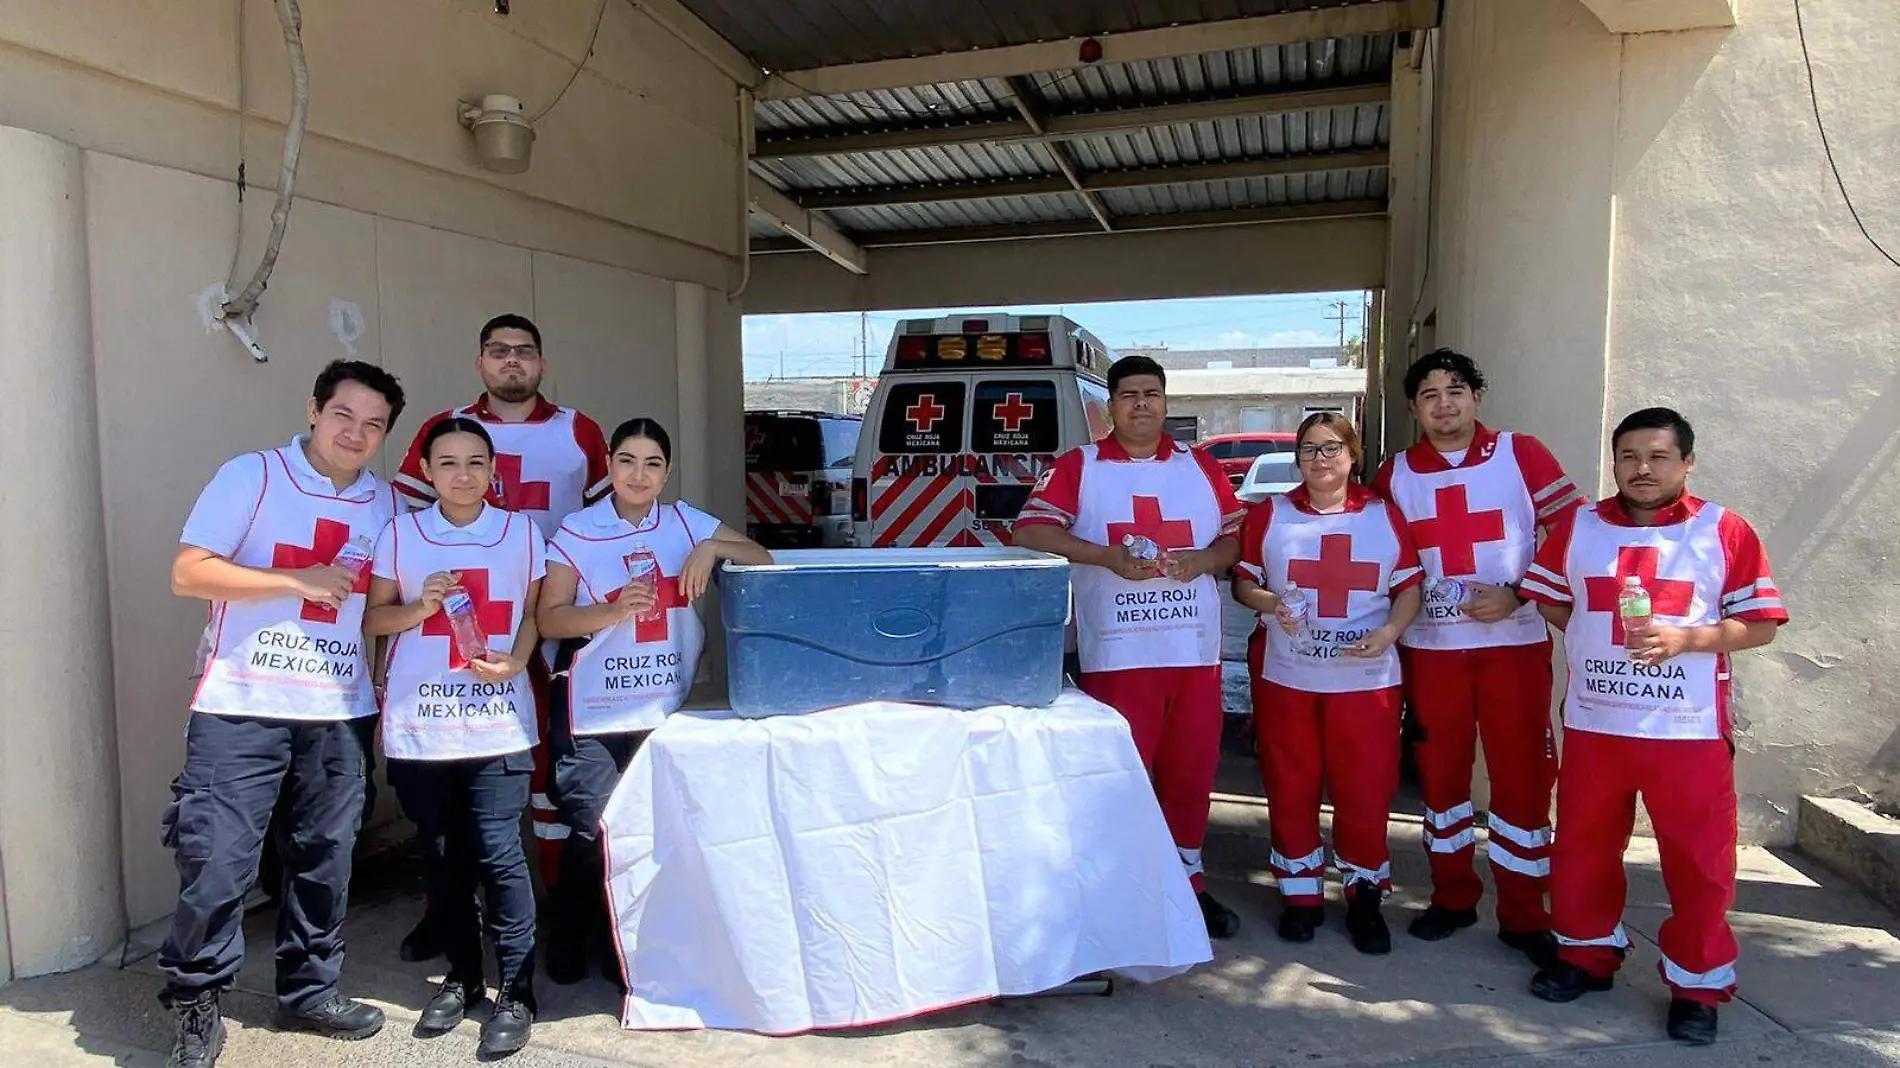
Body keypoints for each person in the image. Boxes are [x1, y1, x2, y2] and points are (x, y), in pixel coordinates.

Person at [160, 360, 405, 1068]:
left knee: (325, 858)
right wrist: (294, 579)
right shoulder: (252, 476)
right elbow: (189, 572)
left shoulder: (384, 505)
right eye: (343, 415)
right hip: (241, 703)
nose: (356, 433)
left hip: (337, 708)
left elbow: (383, 608)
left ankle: (309, 991)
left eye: (374, 424)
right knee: (216, 861)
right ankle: (196, 1002)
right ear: (313, 410)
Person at [1519, 407, 1787, 1046]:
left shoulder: (1723, 530)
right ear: (1614, 462)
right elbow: (1554, 597)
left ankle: (1696, 986)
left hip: (1686, 730)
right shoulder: (1580, 526)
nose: (1642, 469)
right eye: (1629, 456)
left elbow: (1762, 623)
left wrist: (1688, 637)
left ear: (1686, 462)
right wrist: (1594, 639)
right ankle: (1585, 955)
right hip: (1596, 721)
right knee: (1582, 849)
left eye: (1659, 456)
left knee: (1700, 864)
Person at [393, 313, 610, 959]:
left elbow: (605, 523)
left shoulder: (579, 430)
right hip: (456, 628)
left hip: (548, 626)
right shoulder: (446, 429)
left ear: (541, 364)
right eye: (498, 351)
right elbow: (404, 522)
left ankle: (556, 913)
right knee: (450, 774)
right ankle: (446, 912)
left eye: (524, 352)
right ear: (479, 362)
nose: (511, 361)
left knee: (549, 775)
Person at [1015, 354, 1247, 939]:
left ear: (1166, 402)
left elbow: (1237, 536)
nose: (1140, 404)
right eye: (1128, 395)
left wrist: (1204, 560)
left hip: (1193, 651)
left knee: (1190, 774)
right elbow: (1031, 530)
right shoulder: (1080, 465)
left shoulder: (1201, 467)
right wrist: (1105, 556)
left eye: (1151, 393)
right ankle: (1120, 889)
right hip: (1118, 652)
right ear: (1109, 406)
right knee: (1121, 775)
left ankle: (1188, 886)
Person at [537, 418, 772, 985]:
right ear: (610, 466)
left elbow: (762, 560)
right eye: (626, 461)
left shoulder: (687, 522)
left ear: (666, 471)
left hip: (661, 705)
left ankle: (627, 943)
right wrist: (613, 611)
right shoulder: (579, 530)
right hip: (592, 706)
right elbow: (549, 617)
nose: (638, 475)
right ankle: (572, 927)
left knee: (651, 825)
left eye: (652, 464)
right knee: (593, 827)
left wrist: (714, 546)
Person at [1370, 348, 1583, 960]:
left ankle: (1523, 913)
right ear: (1414, 408)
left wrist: (1521, 594)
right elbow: (1376, 548)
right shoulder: (1395, 473)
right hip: (1432, 651)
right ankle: (1452, 898)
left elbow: (1573, 528)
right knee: (1442, 779)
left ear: (1477, 397)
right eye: (1430, 394)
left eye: (1456, 390)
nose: (1445, 403)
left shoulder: (1522, 453)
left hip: (1512, 647)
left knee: (1522, 778)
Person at [364, 417, 545, 1056]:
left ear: (493, 472)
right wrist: (421, 608)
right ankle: (464, 977)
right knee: (440, 856)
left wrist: (520, 659)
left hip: (496, 723)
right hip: (422, 727)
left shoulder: (521, 533)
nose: (462, 474)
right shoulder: (401, 533)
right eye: (447, 463)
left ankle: (517, 989)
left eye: (475, 462)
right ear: (429, 471)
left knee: (499, 852)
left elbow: (532, 614)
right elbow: (374, 617)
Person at [1232, 413, 1423, 954]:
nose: (1321, 458)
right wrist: (1272, 604)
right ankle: (1301, 895)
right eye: (1310, 448)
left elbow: (1408, 586)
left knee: (1364, 786)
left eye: (1333, 447)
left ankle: (1364, 894)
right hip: (1289, 676)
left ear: (1353, 454)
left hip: (1366, 680)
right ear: (1298, 458)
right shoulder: (1270, 514)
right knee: (1290, 782)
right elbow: (1244, 584)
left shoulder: (1384, 516)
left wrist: (1389, 631)